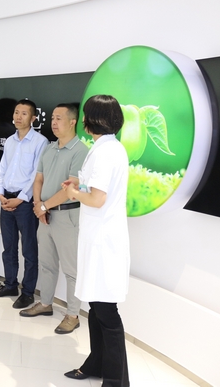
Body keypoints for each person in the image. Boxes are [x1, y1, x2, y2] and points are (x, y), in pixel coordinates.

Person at [62, 95, 130, 386]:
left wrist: (74, 194)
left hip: (103, 242)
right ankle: (97, 363)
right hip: (97, 239)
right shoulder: (106, 148)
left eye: (85, 115)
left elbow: (97, 199)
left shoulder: (106, 152)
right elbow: (98, 188)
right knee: (96, 306)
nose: (82, 120)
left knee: (105, 311)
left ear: (93, 119)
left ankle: (116, 380)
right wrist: (80, 185)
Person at [20, 103, 89, 335]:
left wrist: (43, 206)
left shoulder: (81, 151)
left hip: (67, 215)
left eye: (59, 118)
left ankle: (72, 315)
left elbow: (71, 189)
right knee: (47, 264)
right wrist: (39, 205)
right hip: (45, 215)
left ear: (73, 122)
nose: (54, 122)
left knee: (71, 269)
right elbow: (38, 179)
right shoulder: (49, 148)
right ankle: (45, 303)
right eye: (52, 118)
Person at [0, 99, 48, 310]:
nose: (18, 117)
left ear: (33, 118)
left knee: (29, 250)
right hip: (6, 199)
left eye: (24, 113)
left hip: (26, 203)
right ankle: (10, 285)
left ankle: (28, 293)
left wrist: (21, 198)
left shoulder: (40, 142)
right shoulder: (10, 141)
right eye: (16, 112)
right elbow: (3, 169)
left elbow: (37, 175)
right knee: (9, 247)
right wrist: (0, 193)